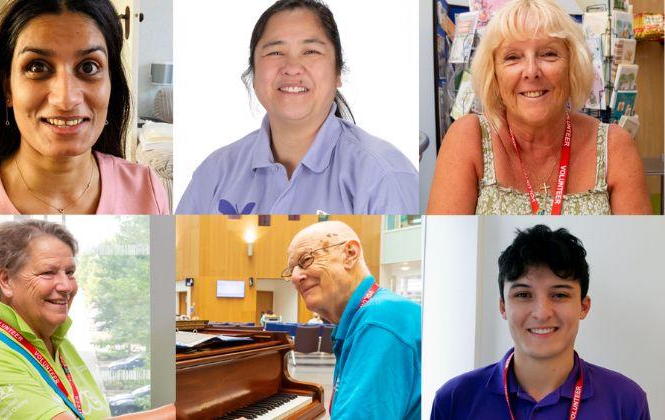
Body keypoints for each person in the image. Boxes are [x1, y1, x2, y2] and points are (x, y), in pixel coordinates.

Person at [177, 0, 418, 215]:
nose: (292, 67)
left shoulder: (384, 175)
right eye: (275, 52)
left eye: (311, 51)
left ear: (337, 73)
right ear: (253, 72)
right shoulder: (214, 173)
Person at [0, 0, 169, 215]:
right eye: (37, 67)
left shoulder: (147, 190)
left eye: (88, 67)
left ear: (111, 85)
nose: (65, 100)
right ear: (8, 89)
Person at [428, 0, 649, 215]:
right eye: (513, 57)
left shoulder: (615, 147)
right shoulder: (467, 138)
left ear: (572, 65)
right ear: (493, 73)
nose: (531, 71)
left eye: (548, 54)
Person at [0, 220, 175, 419]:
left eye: (69, 272)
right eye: (48, 272)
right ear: (6, 280)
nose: (66, 286)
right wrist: (180, 411)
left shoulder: (58, 344)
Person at [431, 225, 650, 419]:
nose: (542, 313)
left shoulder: (626, 400)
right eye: (524, 295)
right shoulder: (455, 399)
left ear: (583, 306)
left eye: (560, 295)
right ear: (503, 307)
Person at [284, 221, 421, 419]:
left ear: (350, 254)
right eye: (291, 270)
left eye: (305, 260)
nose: (295, 277)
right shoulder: (370, 315)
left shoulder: (379, 322)